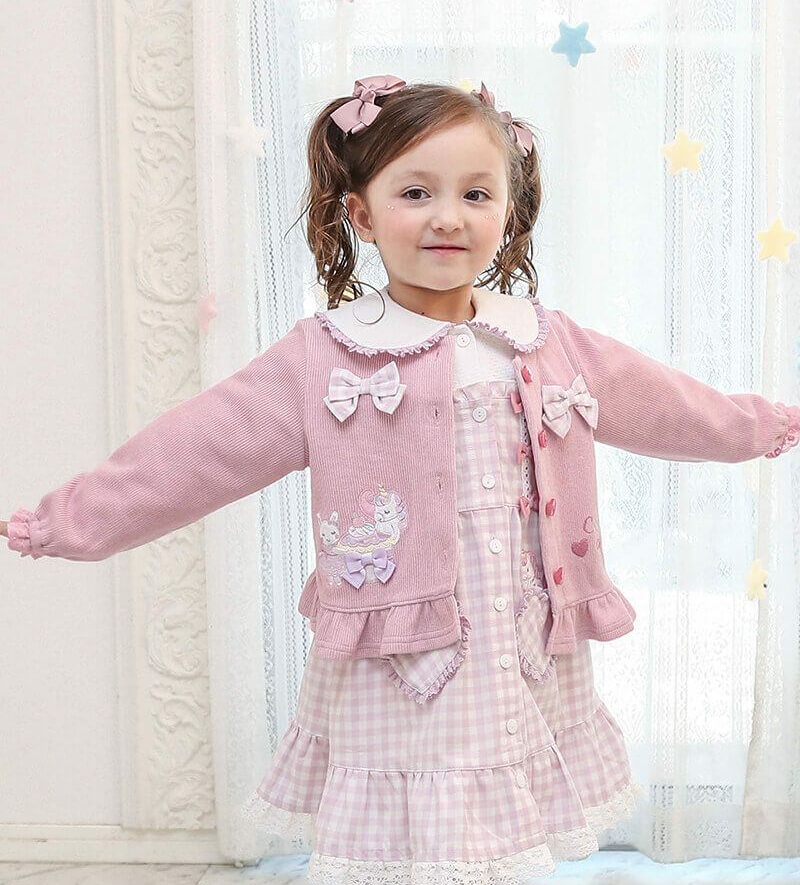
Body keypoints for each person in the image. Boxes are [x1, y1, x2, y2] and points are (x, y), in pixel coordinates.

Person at [3, 75, 798, 883]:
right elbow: (194, 452)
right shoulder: (328, 354)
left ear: (509, 212)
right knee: (418, 822)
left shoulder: (542, 341)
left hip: (518, 637)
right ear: (362, 215)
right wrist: (64, 523)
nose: (449, 216)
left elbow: (670, 407)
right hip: (401, 651)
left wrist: (768, 424)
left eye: (476, 194)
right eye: (417, 192)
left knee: (498, 823)